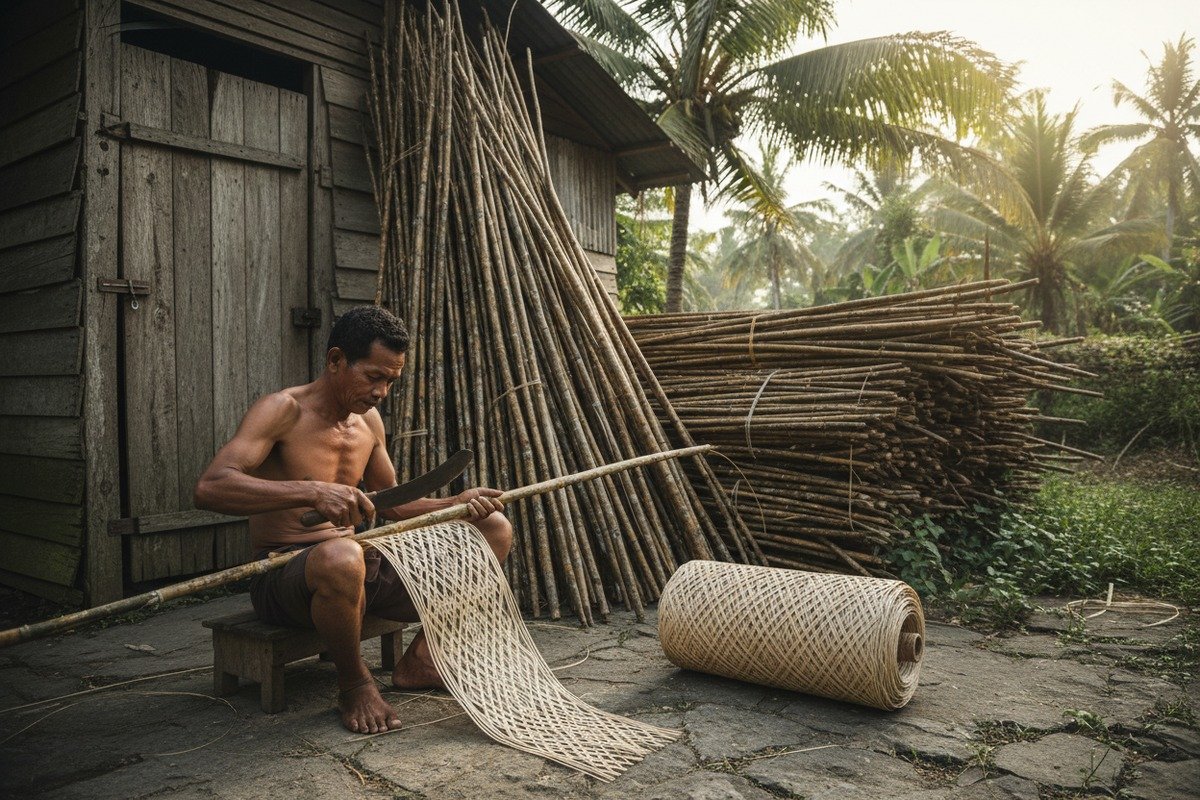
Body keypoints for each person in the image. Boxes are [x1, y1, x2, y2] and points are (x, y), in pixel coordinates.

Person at [193, 305, 512, 734]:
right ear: (336, 360)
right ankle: (355, 683)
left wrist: (457, 502)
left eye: (391, 381)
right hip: (285, 574)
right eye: (373, 377)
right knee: (342, 556)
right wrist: (312, 490)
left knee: (493, 529)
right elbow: (211, 488)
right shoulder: (281, 410)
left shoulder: (369, 422)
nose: (381, 391)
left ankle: (423, 659)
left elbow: (392, 506)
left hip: (361, 565)